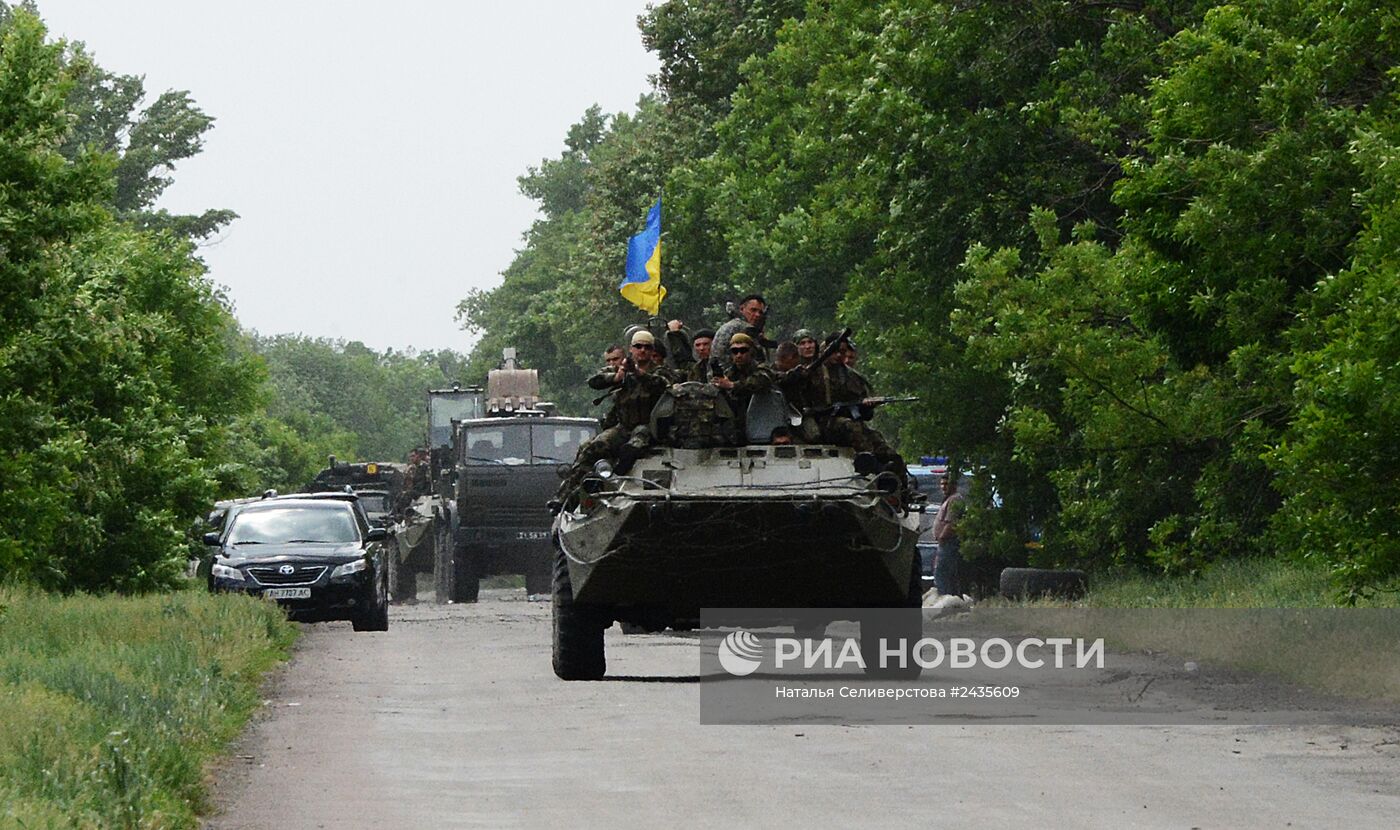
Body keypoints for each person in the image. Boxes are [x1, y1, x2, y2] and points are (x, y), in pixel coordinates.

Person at [555, 330, 678, 505]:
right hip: (623, 426)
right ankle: (566, 498)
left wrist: (638, 374)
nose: (642, 350)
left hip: (647, 427)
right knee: (592, 448)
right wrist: (617, 376)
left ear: (652, 351)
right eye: (638, 346)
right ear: (631, 349)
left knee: (630, 450)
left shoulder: (660, 371)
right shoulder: (621, 368)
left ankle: (614, 486)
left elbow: (664, 384)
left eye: (647, 347)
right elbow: (594, 381)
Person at [713, 332, 775, 437]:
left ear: (751, 352)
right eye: (735, 351)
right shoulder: (729, 373)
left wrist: (732, 385)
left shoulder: (762, 368)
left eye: (743, 350)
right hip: (738, 424)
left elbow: (760, 381)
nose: (739, 355)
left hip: (763, 421)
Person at [931, 473, 966, 597]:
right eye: (942, 484)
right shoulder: (948, 499)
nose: (943, 487)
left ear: (954, 485)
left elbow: (951, 524)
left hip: (949, 543)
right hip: (945, 544)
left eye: (946, 484)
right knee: (946, 575)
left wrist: (941, 538)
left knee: (942, 574)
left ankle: (945, 600)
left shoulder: (955, 499)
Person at [713, 294, 769, 368]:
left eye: (760, 312)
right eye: (753, 310)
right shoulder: (743, 328)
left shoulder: (732, 325)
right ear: (742, 309)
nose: (757, 315)